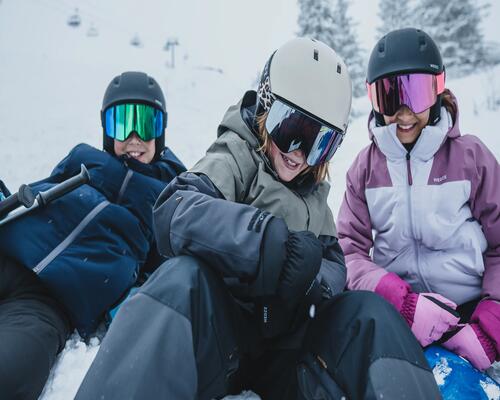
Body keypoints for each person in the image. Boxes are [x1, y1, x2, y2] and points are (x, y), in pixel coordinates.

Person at [76, 38, 441, 400]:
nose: (299, 155)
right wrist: (260, 243)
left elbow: (334, 267)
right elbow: (175, 208)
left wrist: (307, 284)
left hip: (289, 362)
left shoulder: (316, 197)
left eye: (320, 143)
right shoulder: (237, 156)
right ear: (266, 109)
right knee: (180, 279)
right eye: (290, 130)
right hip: (219, 347)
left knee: (370, 314)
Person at [0, 71, 186, 400]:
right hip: (8, 252)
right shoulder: (83, 159)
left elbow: (167, 272)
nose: (133, 138)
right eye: (121, 123)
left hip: (48, 303)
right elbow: (37, 193)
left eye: (146, 124)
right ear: (105, 130)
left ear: (161, 131)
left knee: (10, 373)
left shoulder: (170, 198)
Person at [337, 28, 500, 373]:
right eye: (389, 98)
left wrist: (491, 325)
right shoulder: (364, 170)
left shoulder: (471, 157)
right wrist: (401, 302)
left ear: (438, 89)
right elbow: (348, 252)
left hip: (471, 312)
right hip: (400, 315)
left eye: (416, 93)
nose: (404, 113)